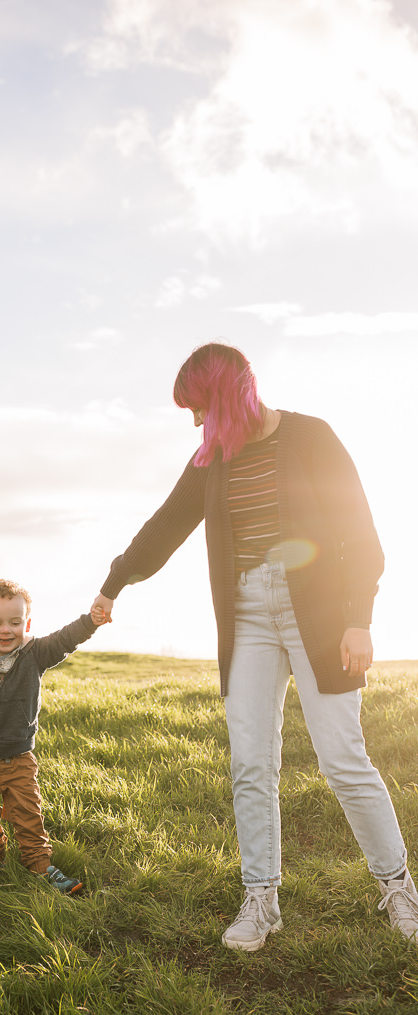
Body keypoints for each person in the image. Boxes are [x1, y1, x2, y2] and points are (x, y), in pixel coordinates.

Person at [92, 342, 417, 951]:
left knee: (344, 759)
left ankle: (398, 887)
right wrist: (113, 584)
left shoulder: (311, 437)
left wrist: (359, 619)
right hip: (247, 616)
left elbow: (362, 536)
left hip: (318, 616)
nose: (193, 423)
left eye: (197, 408)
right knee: (250, 763)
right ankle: (261, 899)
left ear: (224, 397)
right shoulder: (210, 460)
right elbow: (165, 527)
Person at [0, 579, 106, 893]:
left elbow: (65, 639)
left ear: (26, 623)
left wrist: (90, 622)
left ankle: (41, 866)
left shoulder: (35, 653)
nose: (6, 630)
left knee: (29, 816)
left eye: (14, 622)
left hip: (19, 760)